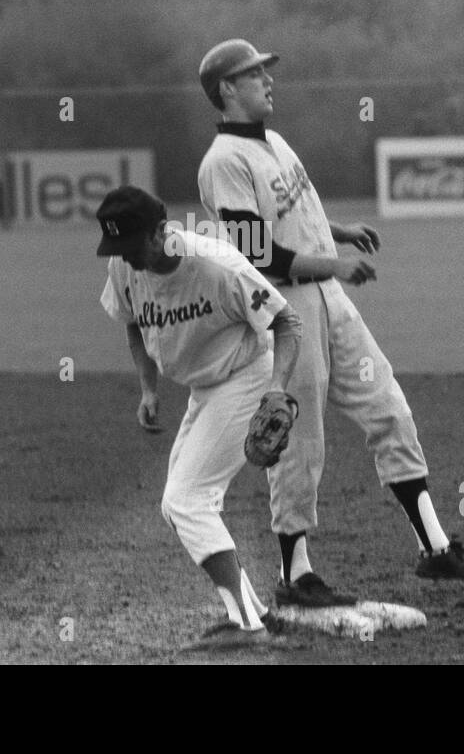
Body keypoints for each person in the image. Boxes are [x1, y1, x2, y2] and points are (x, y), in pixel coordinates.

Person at [194, 38, 464, 609]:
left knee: (390, 409)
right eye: (254, 74)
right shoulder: (223, 163)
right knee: (298, 441)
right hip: (286, 314)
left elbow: (294, 215)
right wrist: (335, 264)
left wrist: (337, 230)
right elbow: (258, 255)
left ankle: (435, 547)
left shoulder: (274, 142)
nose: (268, 80)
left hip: (329, 299)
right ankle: (295, 574)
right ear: (227, 89)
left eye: (265, 71)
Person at [95, 184, 304, 647]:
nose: (125, 259)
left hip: (247, 376)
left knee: (187, 500)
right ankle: (255, 613)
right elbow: (132, 320)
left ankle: (246, 625)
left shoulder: (215, 265)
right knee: (180, 508)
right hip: (204, 387)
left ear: (159, 231)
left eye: (131, 246)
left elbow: (287, 323)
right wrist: (148, 387)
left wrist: (276, 393)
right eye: (117, 249)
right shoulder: (124, 265)